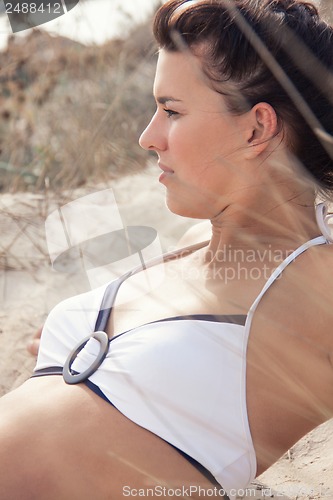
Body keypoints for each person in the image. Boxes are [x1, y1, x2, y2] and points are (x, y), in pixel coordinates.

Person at [2, 0, 333, 498]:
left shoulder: (319, 281)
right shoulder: (194, 242)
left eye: (172, 111)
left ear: (257, 128)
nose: (147, 137)